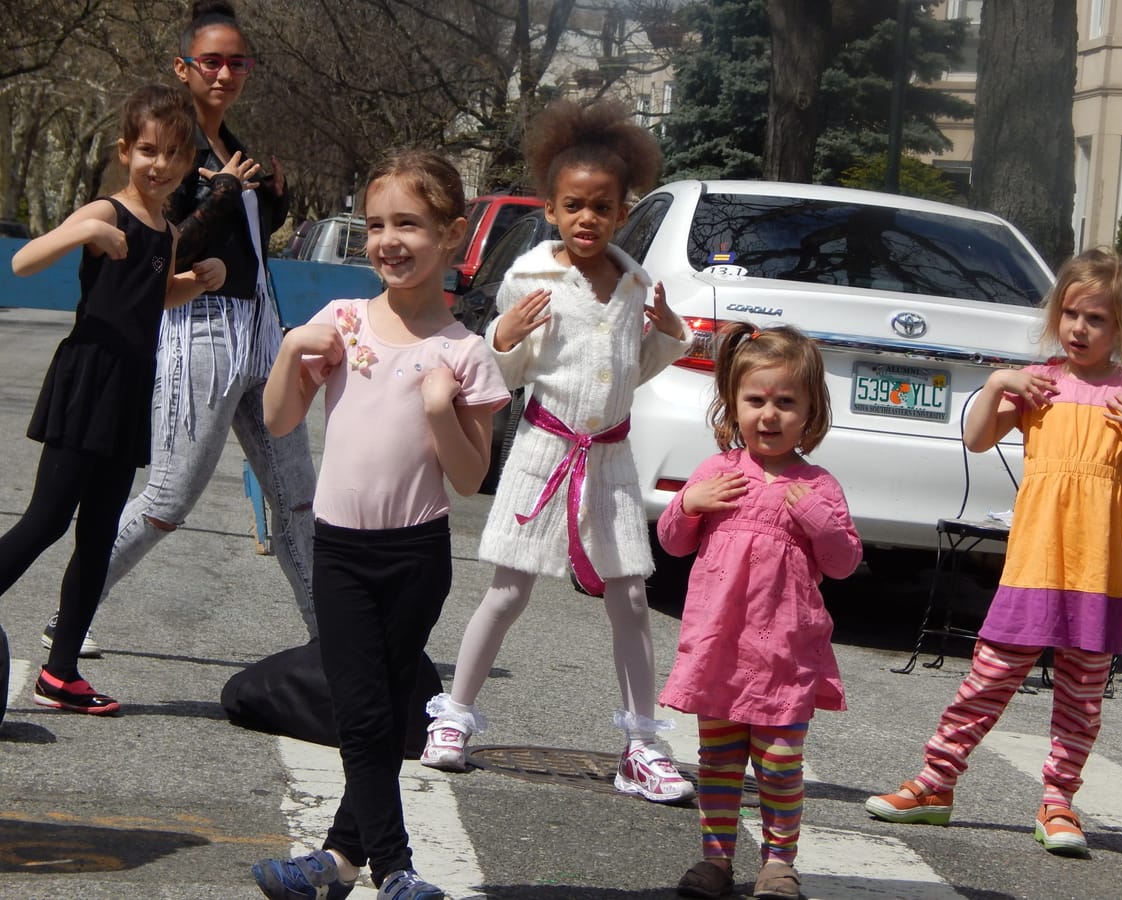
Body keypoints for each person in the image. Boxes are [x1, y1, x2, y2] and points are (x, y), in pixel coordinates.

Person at [420, 98, 697, 804]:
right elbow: (502, 377)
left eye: (602, 207)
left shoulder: (633, 284)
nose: (587, 220)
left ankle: (642, 742)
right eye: (573, 205)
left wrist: (668, 335)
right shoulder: (532, 279)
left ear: (622, 210)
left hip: (608, 462)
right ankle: (454, 717)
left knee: (631, 598)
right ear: (548, 208)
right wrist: (504, 336)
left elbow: (632, 373)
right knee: (509, 591)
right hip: (544, 452)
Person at [250, 150, 509, 900]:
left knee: (377, 709)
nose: (389, 240)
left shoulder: (465, 354)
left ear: (453, 235)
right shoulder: (342, 323)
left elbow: (467, 480)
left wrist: (439, 408)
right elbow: (278, 418)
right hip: (340, 552)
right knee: (365, 710)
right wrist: (293, 350)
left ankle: (340, 863)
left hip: (415, 555)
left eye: (410, 224)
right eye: (376, 224)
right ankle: (386, 868)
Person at [864, 247, 1122, 858]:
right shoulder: (1040, 383)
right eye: (1071, 314)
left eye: (1097, 319)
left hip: (1099, 573)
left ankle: (1058, 803)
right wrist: (1000, 382)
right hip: (1034, 563)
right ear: (1057, 314)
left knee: (1082, 696)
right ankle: (934, 783)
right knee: (989, 678)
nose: (1080, 328)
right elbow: (978, 439)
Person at [42, 0, 318, 657]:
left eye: (237, 62)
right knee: (167, 499)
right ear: (183, 66)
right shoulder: (169, 148)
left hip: (262, 331)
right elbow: (156, 253)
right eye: (211, 61)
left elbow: (238, 241)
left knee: (299, 499)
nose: (225, 74)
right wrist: (220, 197)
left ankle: (334, 640)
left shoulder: (236, 147)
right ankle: (71, 619)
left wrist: (270, 205)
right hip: (198, 332)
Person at [8, 83, 226, 714]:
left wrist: (196, 282)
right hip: (89, 378)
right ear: (125, 150)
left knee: (99, 534)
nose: (160, 166)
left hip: (130, 389)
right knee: (47, 521)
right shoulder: (105, 212)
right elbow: (24, 260)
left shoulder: (166, 229)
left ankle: (61, 673)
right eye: (148, 151)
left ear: (188, 162)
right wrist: (86, 236)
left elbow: (148, 300)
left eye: (174, 155)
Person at [657, 323, 862, 900]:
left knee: (777, 763)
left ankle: (778, 861)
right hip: (720, 647)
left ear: (810, 412)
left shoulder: (817, 486)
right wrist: (686, 504)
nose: (769, 415)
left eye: (785, 402)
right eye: (756, 401)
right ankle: (717, 859)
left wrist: (818, 521)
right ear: (734, 405)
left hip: (783, 652)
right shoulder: (717, 473)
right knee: (719, 762)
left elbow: (844, 562)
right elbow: (674, 544)